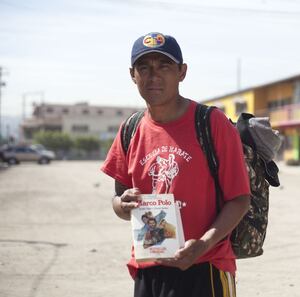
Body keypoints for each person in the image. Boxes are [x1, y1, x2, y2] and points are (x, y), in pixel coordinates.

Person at [101, 32, 250, 297]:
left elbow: (239, 199)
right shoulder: (130, 128)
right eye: (144, 67)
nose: (153, 75)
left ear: (182, 72)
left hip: (206, 267)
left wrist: (202, 245)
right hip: (149, 265)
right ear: (132, 75)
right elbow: (118, 199)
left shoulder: (211, 123)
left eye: (164, 66)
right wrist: (122, 204)